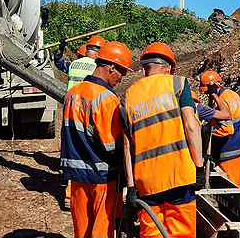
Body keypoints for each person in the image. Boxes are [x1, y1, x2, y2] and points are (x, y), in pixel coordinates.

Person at [124, 42, 204, 238]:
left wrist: (131, 186)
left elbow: (127, 145)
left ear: (145, 68)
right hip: (179, 176)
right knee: (182, 233)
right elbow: (191, 126)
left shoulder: (129, 96)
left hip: (147, 182)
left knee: (152, 233)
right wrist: (199, 166)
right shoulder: (177, 83)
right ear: (167, 67)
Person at [61, 41, 132, 238]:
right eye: (122, 72)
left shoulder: (72, 93)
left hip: (76, 175)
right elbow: (112, 146)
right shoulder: (107, 99)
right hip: (101, 176)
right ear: (111, 67)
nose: (121, 78)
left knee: (82, 230)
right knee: (102, 230)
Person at [199, 70, 240, 187]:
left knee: (233, 191)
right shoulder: (230, 94)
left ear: (212, 87)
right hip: (234, 149)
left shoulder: (224, 99)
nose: (207, 95)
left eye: (208, 92)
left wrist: (207, 130)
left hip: (230, 152)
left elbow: (227, 129)